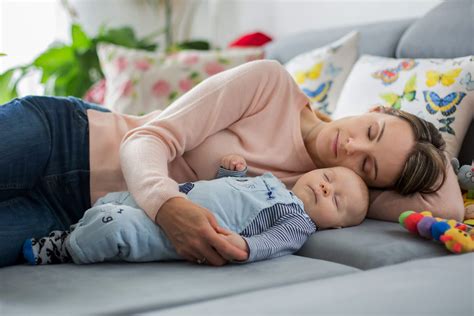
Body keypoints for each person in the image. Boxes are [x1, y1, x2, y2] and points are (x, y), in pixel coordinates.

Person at [0, 60, 463, 267]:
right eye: (372, 131)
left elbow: (446, 212)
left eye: (369, 167)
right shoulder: (271, 84)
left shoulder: (312, 193)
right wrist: (166, 207)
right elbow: (149, 138)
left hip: (67, 215)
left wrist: (439, 161)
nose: (352, 148)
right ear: (376, 109)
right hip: (63, 135)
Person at [22, 154, 368, 265]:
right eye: (328, 177)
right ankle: (73, 231)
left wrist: (244, 248)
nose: (325, 187)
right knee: (116, 201)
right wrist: (230, 174)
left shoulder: (298, 222)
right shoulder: (274, 182)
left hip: (175, 233)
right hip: (175, 198)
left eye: (336, 199)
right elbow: (225, 194)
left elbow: (272, 242)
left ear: (335, 226)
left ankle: (63, 249)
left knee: (117, 227)